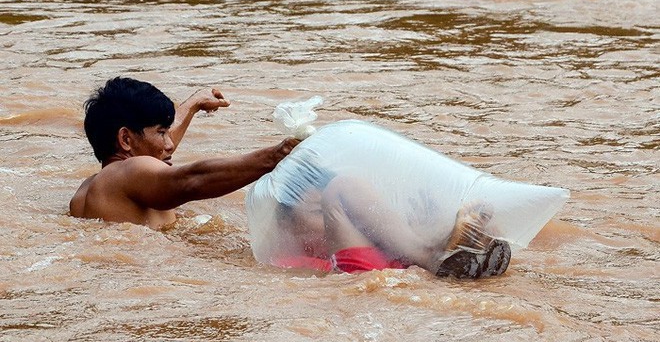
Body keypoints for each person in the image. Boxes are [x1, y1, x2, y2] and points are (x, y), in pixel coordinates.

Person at [70, 76, 299, 229]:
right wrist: (279, 154)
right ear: (126, 139)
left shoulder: (91, 187)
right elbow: (191, 180)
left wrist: (195, 103)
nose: (169, 145)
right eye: (161, 132)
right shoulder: (129, 172)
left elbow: (156, 153)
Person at [269, 165, 511, 279]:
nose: (330, 222)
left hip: (400, 275)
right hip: (356, 276)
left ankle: (447, 251)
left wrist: (419, 227)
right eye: (318, 212)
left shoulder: (372, 237)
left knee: (484, 230)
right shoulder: (289, 262)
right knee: (342, 187)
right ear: (289, 228)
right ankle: (433, 256)